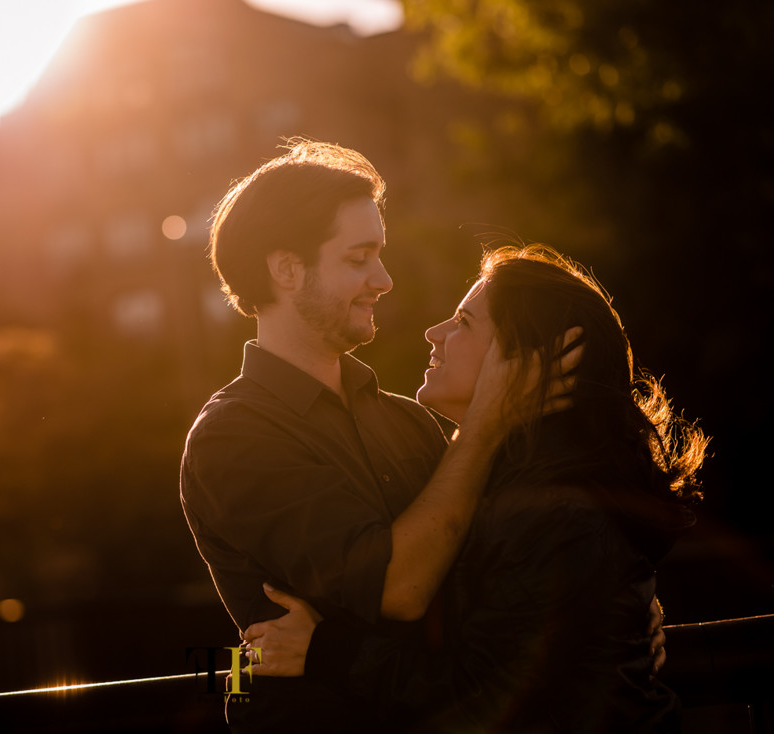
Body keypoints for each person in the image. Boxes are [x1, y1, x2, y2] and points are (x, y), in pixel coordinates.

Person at [179, 139, 592, 731]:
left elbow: (495, 572)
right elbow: (398, 588)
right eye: (358, 259)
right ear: (287, 270)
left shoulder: (410, 420)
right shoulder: (232, 437)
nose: (384, 279)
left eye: (380, 255)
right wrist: (481, 429)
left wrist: (603, 616)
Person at [242, 245, 706, 732]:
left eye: (463, 322)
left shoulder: (557, 513)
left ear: (525, 360)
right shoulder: (504, 484)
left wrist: (323, 651)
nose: (434, 332)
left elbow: (481, 703)